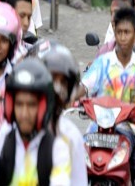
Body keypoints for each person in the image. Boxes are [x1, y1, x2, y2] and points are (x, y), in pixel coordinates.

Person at [74, 7, 135, 185]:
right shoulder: (103, 62)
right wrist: (69, 97)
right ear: (114, 33)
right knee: (74, 160)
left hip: (130, 129)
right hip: (98, 129)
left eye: (127, 32)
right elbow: (85, 85)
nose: (123, 37)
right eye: (119, 32)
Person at [0, 58, 71, 185]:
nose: (24, 114)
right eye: (19, 104)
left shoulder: (57, 149)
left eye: (31, 105)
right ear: (11, 106)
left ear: (43, 107)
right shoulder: (2, 141)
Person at [94, 0, 135, 152]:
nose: (116, 19)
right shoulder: (104, 53)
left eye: (121, 13)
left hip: (134, 130)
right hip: (103, 128)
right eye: (113, 14)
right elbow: (89, 85)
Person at [27, 40, 87, 185]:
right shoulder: (11, 131)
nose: (57, 89)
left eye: (63, 82)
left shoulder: (71, 136)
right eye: (50, 79)